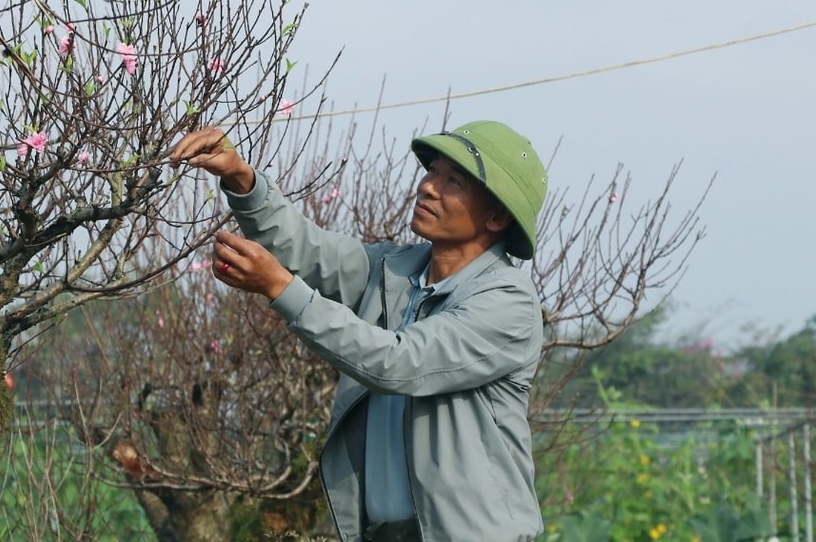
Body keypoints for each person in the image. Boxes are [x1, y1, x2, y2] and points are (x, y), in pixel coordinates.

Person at [170, 120, 548, 542]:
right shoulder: (394, 270)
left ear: (496, 215)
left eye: (453, 180)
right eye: (432, 172)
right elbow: (306, 249)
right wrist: (242, 177)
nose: (428, 187)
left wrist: (279, 286)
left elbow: (397, 363)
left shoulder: (508, 303)